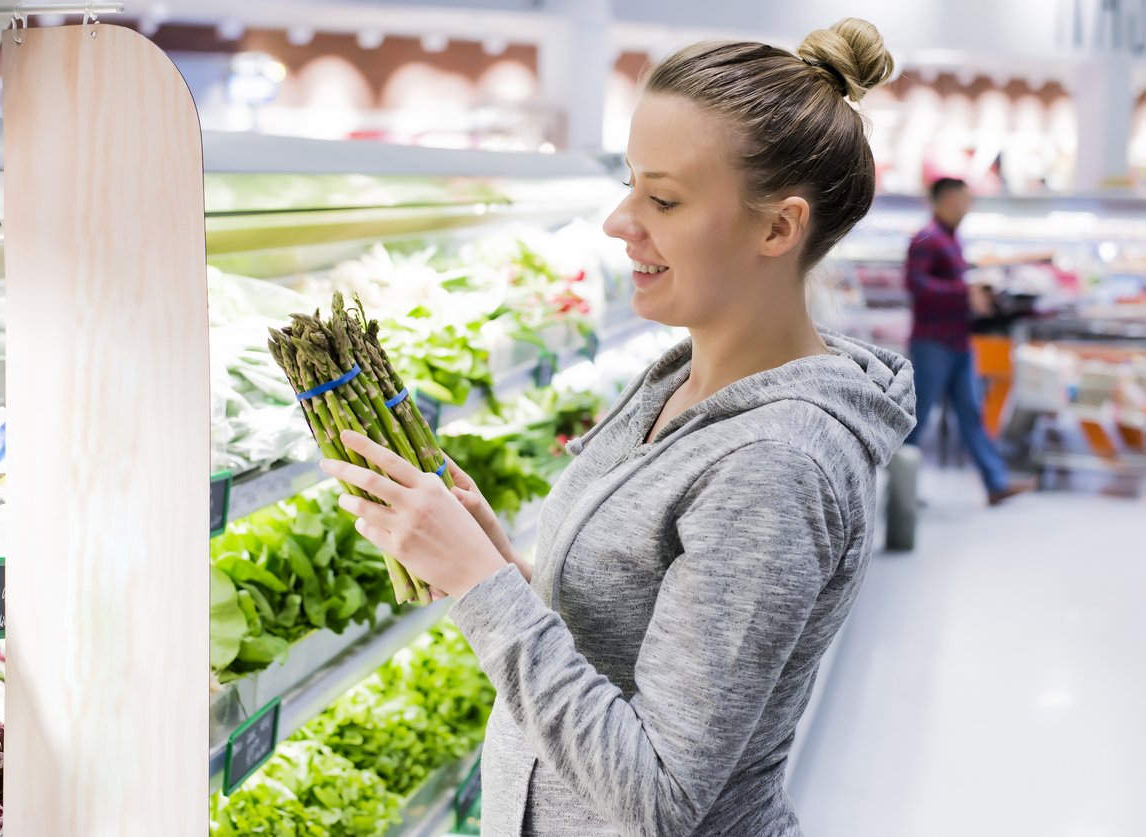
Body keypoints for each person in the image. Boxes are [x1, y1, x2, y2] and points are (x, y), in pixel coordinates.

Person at [321, 18, 916, 837]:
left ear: (778, 228)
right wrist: (496, 558)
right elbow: (627, 635)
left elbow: (659, 798)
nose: (618, 221)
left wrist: (478, 586)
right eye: (630, 182)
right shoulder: (679, 375)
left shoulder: (775, 466)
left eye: (663, 199)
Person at [904, 177, 1036, 505]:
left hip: (959, 341)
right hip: (933, 343)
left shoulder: (951, 240)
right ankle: (900, 490)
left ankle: (995, 483)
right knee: (916, 418)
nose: (967, 207)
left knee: (972, 413)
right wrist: (965, 292)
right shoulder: (926, 239)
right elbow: (916, 285)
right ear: (946, 199)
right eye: (963, 199)